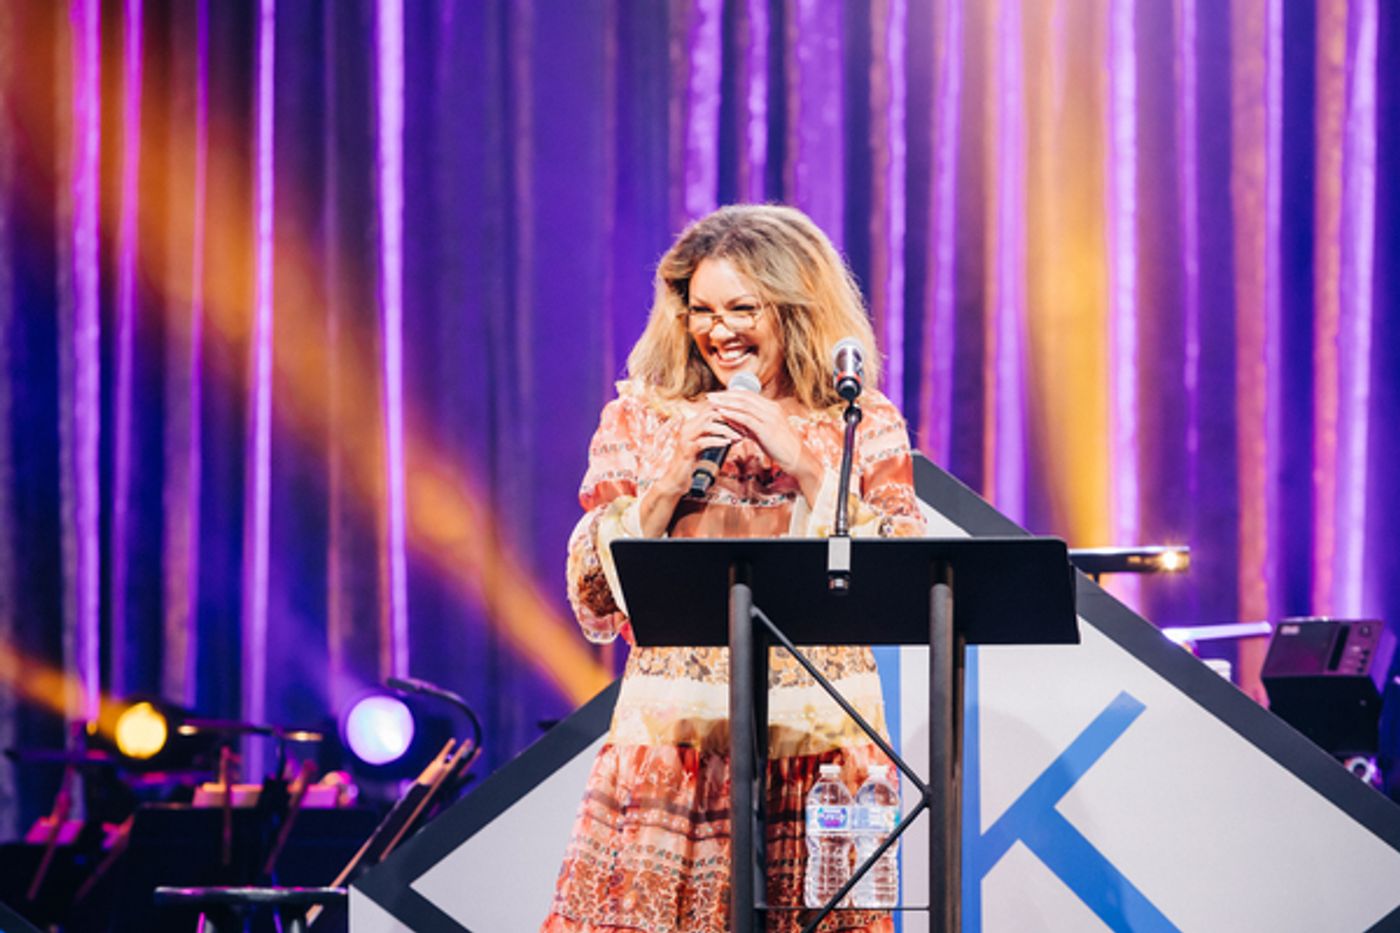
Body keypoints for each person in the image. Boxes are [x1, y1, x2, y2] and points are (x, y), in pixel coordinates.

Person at [541, 204, 924, 933]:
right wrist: (666, 482)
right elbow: (593, 600)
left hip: (818, 750)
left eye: (743, 309)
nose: (719, 331)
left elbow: (899, 576)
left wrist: (806, 461)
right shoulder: (640, 418)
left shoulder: (859, 420)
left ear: (794, 308)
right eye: (702, 310)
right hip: (674, 747)